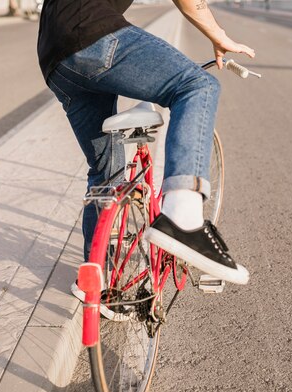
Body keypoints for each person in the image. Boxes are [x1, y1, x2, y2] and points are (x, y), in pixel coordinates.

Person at [37, 0, 254, 299]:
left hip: (55, 60)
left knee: (105, 171)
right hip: (93, 34)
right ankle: (182, 217)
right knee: (197, 86)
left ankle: (96, 282)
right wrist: (218, 35)